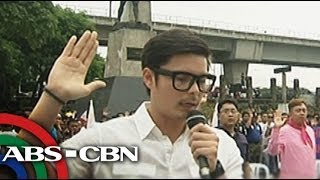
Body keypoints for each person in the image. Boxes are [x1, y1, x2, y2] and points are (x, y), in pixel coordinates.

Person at [18, 29, 243, 178]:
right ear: (148, 77)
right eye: (181, 79)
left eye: (202, 80)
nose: (195, 91)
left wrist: (216, 172)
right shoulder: (103, 140)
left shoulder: (222, 145)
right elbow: (21, 169)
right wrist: (53, 97)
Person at [267, 99, 317, 179]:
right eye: (298, 110)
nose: (302, 113)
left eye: (304, 110)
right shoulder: (284, 130)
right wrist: (276, 129)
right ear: (290, 113)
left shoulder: (310, 130)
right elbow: (273, 151)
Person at [216, 99, 251, 178]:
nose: (230, 114)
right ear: (218, 116)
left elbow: (246, 164)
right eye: (226, 111)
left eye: (233, 111)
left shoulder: (242, 138)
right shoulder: (213, 135)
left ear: (238, 115)